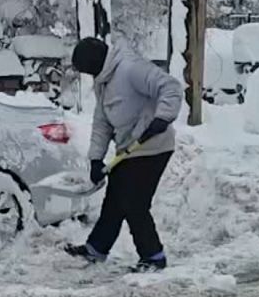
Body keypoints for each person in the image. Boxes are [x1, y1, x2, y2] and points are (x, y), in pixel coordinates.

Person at [64, 36, 182, 272]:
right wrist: (95, 159)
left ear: (96, 62)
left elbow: (170, 87)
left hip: (154, 144)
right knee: (115, 198)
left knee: (134, 202)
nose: (89, 75)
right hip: (130, 148)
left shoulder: (131, 69)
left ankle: (153, 256)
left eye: (88, 70)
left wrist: (163, 116)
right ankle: (97, 248)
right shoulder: (104, 81)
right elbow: (102, 123)